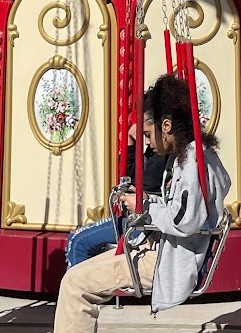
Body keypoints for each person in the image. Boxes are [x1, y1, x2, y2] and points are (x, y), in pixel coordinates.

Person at [43, 73, 231, 333]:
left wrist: (144, 207)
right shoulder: (197, 156)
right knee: (76, 275)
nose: (146, 141)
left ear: (166, 126)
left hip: (165, 261)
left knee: (76, 286)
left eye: (148, 134)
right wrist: (148, 202)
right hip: (163, 250)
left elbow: (185, 221)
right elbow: (188, 210)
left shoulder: (192, 165)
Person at [65, 108, 168, 268]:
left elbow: (147, 186)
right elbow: (131, 176)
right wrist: (131, 142)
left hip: (146, 225)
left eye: (148, 134)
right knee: (77, 239)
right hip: (141, 219)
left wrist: (142, 199)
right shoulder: (156, 152)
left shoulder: (166, 156)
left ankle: (77, 282)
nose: (147, 141)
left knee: (78, 242)